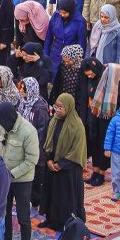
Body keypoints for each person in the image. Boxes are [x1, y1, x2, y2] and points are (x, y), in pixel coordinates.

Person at [0, 102, 38, 240]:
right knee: (3, 212)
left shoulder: (28, 131)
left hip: (22, 180)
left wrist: (10, 174)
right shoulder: (1, 126)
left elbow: (32, 159)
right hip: (3, 178)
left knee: (23, 216)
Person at [38, 94, 86, 231]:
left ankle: (66, 222)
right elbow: (45, 140)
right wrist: (48, 160)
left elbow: (77, 149)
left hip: (68, 169)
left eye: (61, 108)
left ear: (69, 107)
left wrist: (62, 164)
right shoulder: (53, 121)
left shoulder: (76, 125)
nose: (57, 111)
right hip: (52, 165)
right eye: (56, 107)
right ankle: (51, 219)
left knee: (66, 197)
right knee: (51, 193)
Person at [82, 58, 119, 186]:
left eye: (91, 73)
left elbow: (116, 97)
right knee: (94, 142)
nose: (90, 76)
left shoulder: (108, 76)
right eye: (88, 75)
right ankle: (95, 172)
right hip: (93, 115)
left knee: (103, 143)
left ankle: (102, 174)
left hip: (106, 117)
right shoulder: (92, 79)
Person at [17, 78, 49, 205]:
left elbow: (42, 130)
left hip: (35, 149)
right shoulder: (22, 103)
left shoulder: (40, 108)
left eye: (23, 89)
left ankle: (36, 204)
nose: (21, 91)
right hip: (22, 146)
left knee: (36, 179)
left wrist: (30, 142)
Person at [44, 0, 87, 76]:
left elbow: (81, 43)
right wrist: (46, 54)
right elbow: (49, 36)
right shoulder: (56, 15)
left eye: (65, 13)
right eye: (61, 12)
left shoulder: (80, 21)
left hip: (70, 56)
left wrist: (78, 61)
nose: (62, 15)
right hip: (55, 52)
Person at [51, 44, 85, 123]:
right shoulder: (63, 66)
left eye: (68, 61)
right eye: (64, 61)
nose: (65, 63)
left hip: (75, 105)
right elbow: (57, 83)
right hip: (62, 102)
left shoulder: (82, 70)